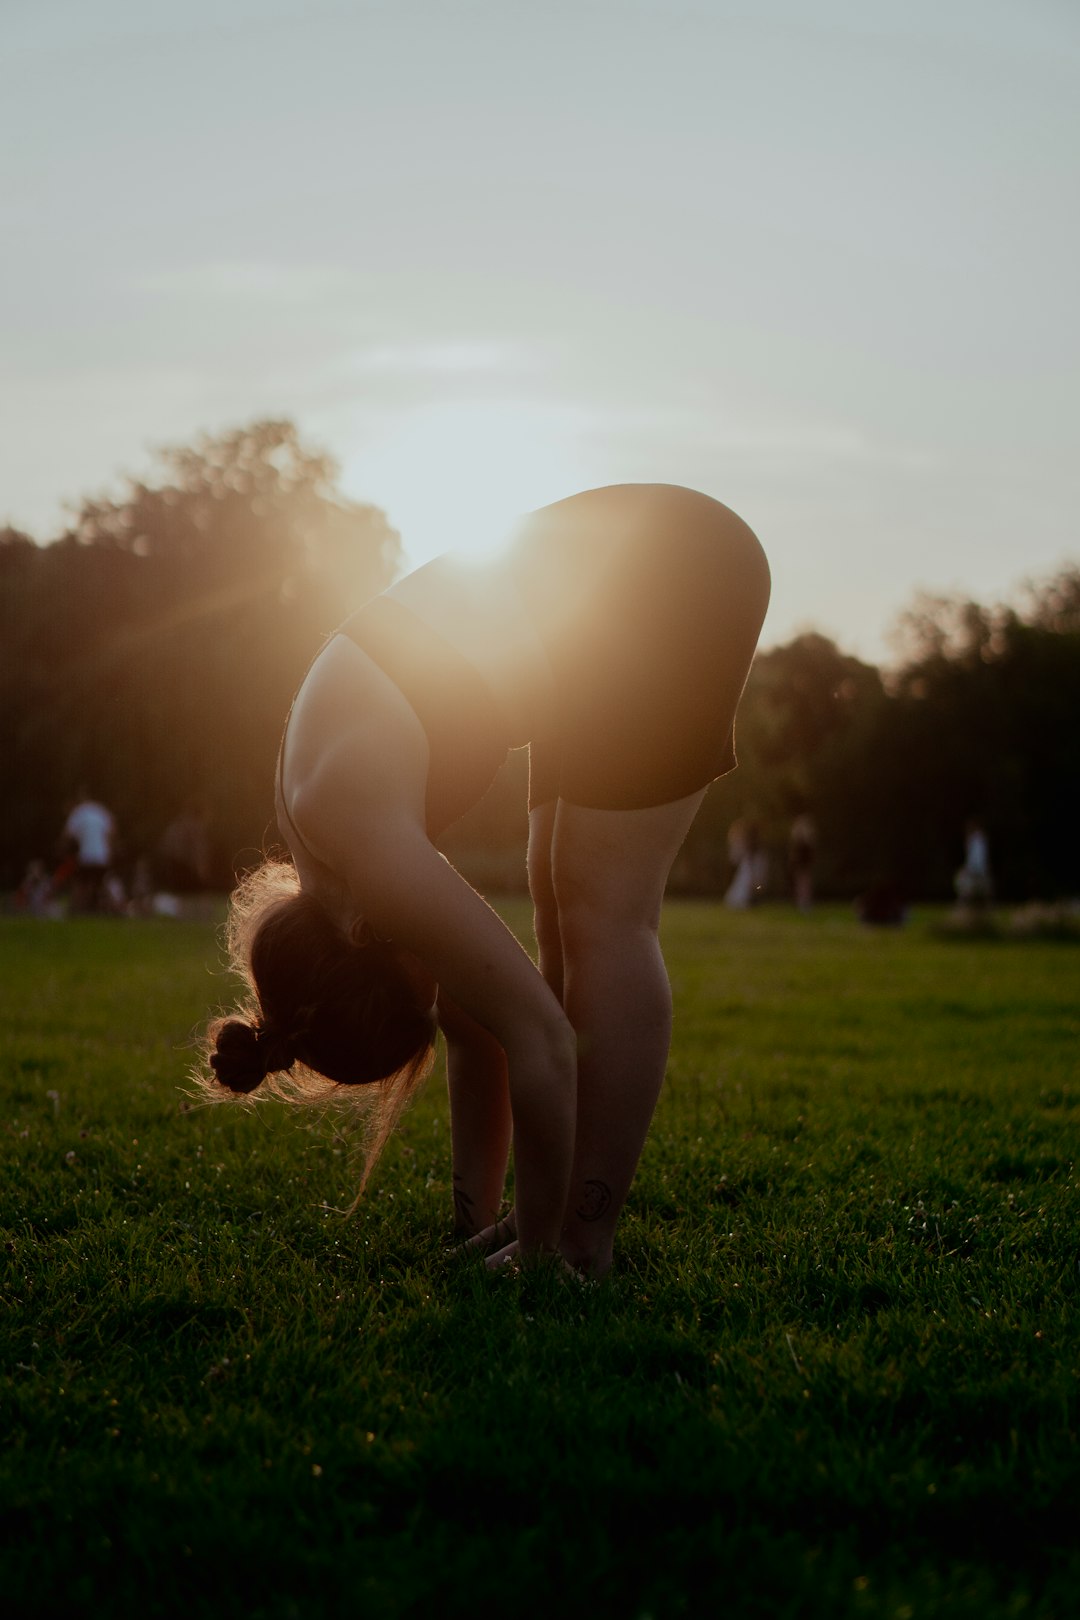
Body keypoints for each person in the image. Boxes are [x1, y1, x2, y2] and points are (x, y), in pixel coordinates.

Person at [200, 484, 770, 1276]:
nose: (442, 994)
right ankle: (544, 1225)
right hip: (608, 606)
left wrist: (539, 1254)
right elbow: (477, 1031)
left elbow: (537, 1041)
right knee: (557, 893)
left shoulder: (365, 852)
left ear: (369, 948)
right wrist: (477, 1222)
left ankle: (579, 1247)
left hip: (668, 575)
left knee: (605, 915)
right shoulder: (325, 856)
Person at [61, 790, 117, 914]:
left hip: (86, 856)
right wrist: (109, 851)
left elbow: (67, 834)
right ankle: (115, 909)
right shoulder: (101, 811)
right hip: (102, 856)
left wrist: (64, 850)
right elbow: (112, 831)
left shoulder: (78, 813)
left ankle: (76, 911)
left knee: (81, 884)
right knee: (102, 884)